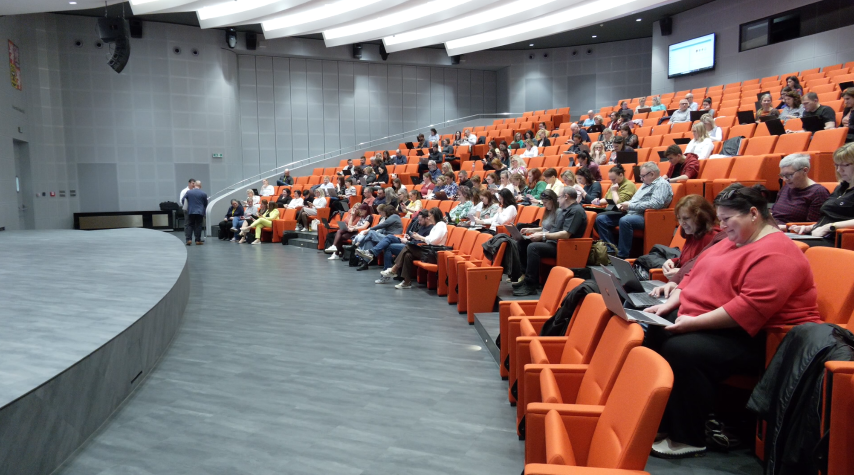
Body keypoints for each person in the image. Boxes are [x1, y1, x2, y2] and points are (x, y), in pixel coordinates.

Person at [645, 186, 821, 458]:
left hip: (768, 340)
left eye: (727, 219)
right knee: (655, 330)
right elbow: (692, 275)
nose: (723, 225)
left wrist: (691, 323)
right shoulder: (732, 241)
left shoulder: (778, 253)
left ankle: (687, 437)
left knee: (683, 350)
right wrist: (670, 305)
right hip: (725, 325)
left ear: (754, 214)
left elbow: (748, 309)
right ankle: (662, 423)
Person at [512, 188, 588, 295]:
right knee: (522, 242)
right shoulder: (564, 210)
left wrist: (543, 236)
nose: (557, 200)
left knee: (533, 247)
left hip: (564, 247)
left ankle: (530, 284)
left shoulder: (576, 211)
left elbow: (566, 234)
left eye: (559, 197)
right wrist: (536, 233)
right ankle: (525, 277)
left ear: (566, 196)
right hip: (554, 242)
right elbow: (554, 230)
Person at [594, 162, 673, 258]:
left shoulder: (661, 184)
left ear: (652, 174)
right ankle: (611, 250)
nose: (641, 179)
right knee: (601, 219)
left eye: (643, 176)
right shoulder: (646, 184)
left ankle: (622, 255)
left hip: (646, 216)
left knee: (625, 221)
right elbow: (635, 200)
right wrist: (625, 204)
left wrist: (630, 205)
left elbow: (656, 204)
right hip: (632, 212)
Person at [653, 195, 723, 287]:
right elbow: (688, 261)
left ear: (701, 217)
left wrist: (681, 272)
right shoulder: (692, 234)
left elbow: (708, 272)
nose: (681, 223)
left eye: (686, 218)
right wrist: (673, 261)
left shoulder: (712, 237)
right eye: (679, 218)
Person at [790, 143, 854, 240]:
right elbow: (831, 217)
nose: (839, 170)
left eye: (845, 165)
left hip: (837, 239)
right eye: (837, 165)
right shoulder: (840, 188)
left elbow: (832, 224)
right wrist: (811, 227)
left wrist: (830, 227)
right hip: (821, 236)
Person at [381, 207, 448, 289]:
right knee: (408, 255)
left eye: (429, 216)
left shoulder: (441, 225)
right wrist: (418, 237)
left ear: (434, 215)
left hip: (434, 254)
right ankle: (406, 282)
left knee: (409, 246)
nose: (428, 218)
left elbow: (433, 241)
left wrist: (420, 237)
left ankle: (394, 269)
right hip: (430, 251)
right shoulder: (436, 225)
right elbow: (429, 240)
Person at [769, 154, 829, 229]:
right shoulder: (787, 187)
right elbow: (774, 213)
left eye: (789, 175)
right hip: (774, 228)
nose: (785, 179)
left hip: (793, 232)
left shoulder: (818, 192)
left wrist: (778, 227)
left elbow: (813, 226)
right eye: (782, 175)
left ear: (805, 170)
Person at [182, 180, 207, 246]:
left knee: (190, 225)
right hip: (200, 211)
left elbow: (183, 199)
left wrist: (187, 206)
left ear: (194, 185)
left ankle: (189, 239)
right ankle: (197, 240)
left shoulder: (189, 192)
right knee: (198, 225)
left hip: (191, 211)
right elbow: (205, 203)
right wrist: (203, 208)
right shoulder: (203, 193)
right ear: (200, 186)